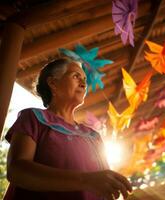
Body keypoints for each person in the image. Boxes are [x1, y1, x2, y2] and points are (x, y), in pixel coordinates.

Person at [4, 58, 132, 200]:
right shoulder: (34, 118)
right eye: (76, 76)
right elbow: (17, 170)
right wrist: (85, 180)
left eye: (84, 79)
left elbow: (105, 187)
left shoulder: (93, 135)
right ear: (53, 83)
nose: (84, 83)